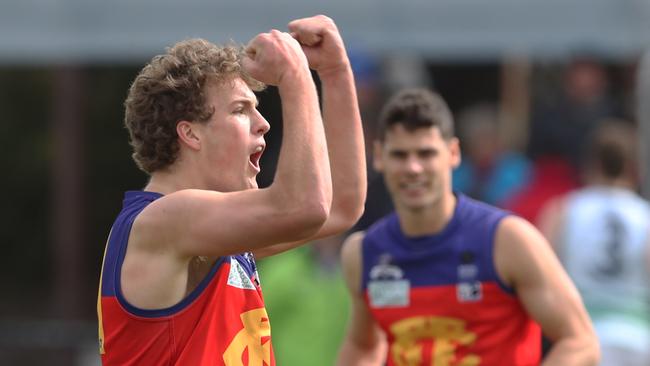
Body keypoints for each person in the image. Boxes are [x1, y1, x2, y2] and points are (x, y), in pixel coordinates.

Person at [96, 15, 366, 365]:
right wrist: (295, 75)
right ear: (190, 134)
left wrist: (334, 71)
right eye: (241, 110)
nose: (263, 124)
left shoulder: (207, 233)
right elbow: (306, 207)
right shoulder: (164, 219)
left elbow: (342, 204)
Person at [337, 88, 599, 365]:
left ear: (453, 153)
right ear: (378, 156)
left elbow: (580, 342)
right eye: (400, 155)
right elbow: (363, 346)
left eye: (426, 154)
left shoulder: (507, 240)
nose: (413, 168)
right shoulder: (364, 253)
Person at [538, 120, 650, 366]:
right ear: (633, 167)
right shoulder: (645, 216)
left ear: (591, 164)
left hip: (582, 338)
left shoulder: (563, 210)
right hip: (638, 337)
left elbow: (541, 277)